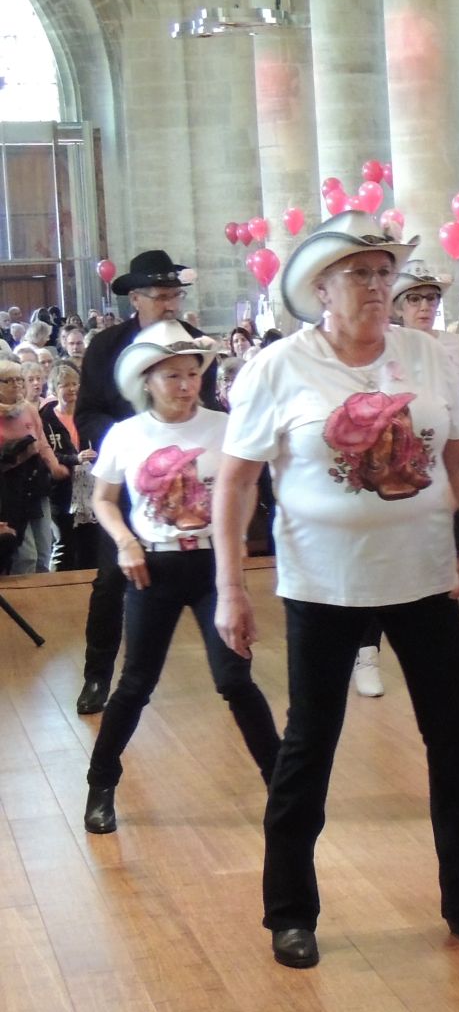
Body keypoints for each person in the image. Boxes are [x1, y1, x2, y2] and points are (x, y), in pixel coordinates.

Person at [213, 210, 459, 970]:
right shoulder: (279, 367)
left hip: (423, 579)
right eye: (359, 274)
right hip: (322, 584)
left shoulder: (428, 355)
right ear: (321, 288)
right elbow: (236, 481)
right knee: (309, 747)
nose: (378, 286)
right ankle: (291, 912)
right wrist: (230, 587)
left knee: (455, 742)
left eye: (385, 273)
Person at [81, 323, 280, 835]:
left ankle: (283, 787)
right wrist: (125, 542)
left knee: (234, 680)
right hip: (155, 567)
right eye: (172, 375)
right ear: (147, 381)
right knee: (135, 684)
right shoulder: (126, 435)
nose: (186, 384)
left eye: (193, 373)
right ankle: (100, 783)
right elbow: (103, 499)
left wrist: (236, 542)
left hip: (214, 567)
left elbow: (246, 490)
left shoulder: (225, 427)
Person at [73, 250, 198, 714]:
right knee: (110, 581)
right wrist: (133, 447)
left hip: (182, 483)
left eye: (176, 296)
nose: (171, 305)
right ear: (137, 299)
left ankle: (231, 672)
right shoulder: (106, 347)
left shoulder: (195, 345)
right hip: (122, 484)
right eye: (161, 296)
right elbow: (87, 413)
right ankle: (97, 675)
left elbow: (206, 411)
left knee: (203, 575)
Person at [349, 256, 459, 700]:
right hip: (389, 460)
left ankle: (451, 652)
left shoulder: (453, 347)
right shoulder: (381, 347)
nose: (425, 307)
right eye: (415, 299)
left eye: (431, 298)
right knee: (377, 563)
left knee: (443, 563)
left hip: (441, 464)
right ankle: (367, 652)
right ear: (398, 306)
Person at [0, 358, 65, 575]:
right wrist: (17, 455)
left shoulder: (28, 409)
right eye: (9, 381)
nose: (17, 385)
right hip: (8, 492)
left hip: (36, 484)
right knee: (27, 555)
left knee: (45, 551)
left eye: (19, 380)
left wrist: (54, 466)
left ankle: (43, 594)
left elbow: (42, 442)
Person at [40, 361, 88, 570]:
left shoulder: (87, 415)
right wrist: (75, 459)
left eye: (75, 383)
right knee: (64, 543)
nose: (71, 389)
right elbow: (47, 453)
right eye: (65, 385)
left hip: (88, 488)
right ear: (54, 389)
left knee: (87, 541)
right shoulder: (46, 419)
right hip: (60, 489)